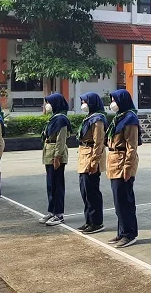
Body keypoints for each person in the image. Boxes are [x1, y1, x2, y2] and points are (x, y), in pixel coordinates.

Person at [106, 89, 141, 248]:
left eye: (115, 99)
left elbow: (132, 146)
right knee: (118, 200)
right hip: (114, 162)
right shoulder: (118, 118)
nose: (112, 103)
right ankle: (122, 231)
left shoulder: (130, 119)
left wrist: (128, 167)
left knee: (125, 200)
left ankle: (129, 234)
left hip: (123, 162)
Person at [77, 92, 108, 234]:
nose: (83, 104)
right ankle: (88, 220)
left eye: (85, 102)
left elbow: (99, 141)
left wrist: (94, 162)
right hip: (84, 155)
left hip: (91, 156)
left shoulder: (98, 119)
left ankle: (97, 222)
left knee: (92, 192)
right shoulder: (89, 118)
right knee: (85, 191)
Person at [39, 93, 72, 226]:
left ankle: (59, 214)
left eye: (49, 102)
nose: (47, 105)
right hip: (49, 152)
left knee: (57, 185)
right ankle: (51, 211)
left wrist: (57, 157)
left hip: (55, 154)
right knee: (50, 184)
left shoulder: (61, 120)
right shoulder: (54, 118)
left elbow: (61, 140)